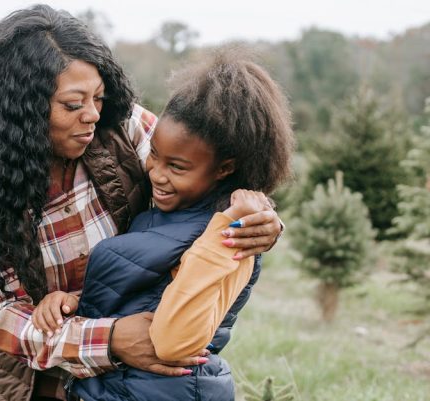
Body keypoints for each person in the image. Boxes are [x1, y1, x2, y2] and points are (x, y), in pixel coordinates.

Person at [0, 5, 284, 401]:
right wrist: (110, 340)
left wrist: (262, 219)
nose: (91, 114)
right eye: (72, 105)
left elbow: (207, 180)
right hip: (32, 381)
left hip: (136, 380)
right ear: (21, 110)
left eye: (99, 97)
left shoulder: (125, 129)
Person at [31, 49, 294, 400]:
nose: (156, 172)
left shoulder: (232, 236)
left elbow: (173, 342)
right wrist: (72, 302)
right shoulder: (165, 214)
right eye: (154, 154)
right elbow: (147, 291)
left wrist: (222, 235)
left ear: (224, 168)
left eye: (178, 167)